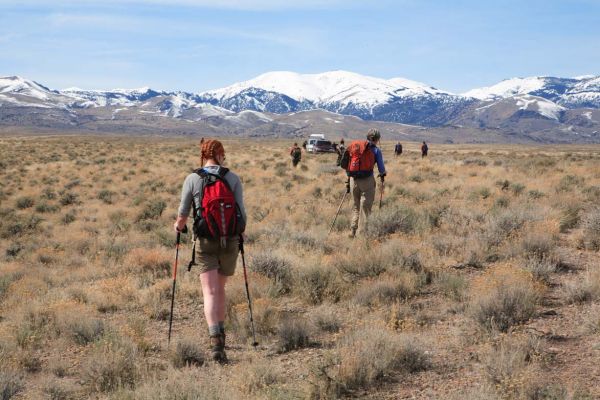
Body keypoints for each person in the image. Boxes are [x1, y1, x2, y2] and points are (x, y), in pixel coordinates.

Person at [173, 139, 247, 363]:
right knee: (220, 290)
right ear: (221, 154)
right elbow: (242, 215)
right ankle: (221, 336)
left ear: (203, 155)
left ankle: (216, 342)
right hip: (230, 241)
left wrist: (178, 227)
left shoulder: (192, 178)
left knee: (210, 292)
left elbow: (183, 214)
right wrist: (240, 234)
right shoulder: (232, 178)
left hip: (205, 241)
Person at [346, 129, 386, 238]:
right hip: (367, 180)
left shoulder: (356, 147)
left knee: (356, 205)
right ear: (377, 139)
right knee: (366, 207)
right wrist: (382, 174)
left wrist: (348, 179)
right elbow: (381, 168)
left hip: (353, 179)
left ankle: (353, 230)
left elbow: (347, 163)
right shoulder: (376, 150)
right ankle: (362, 234)